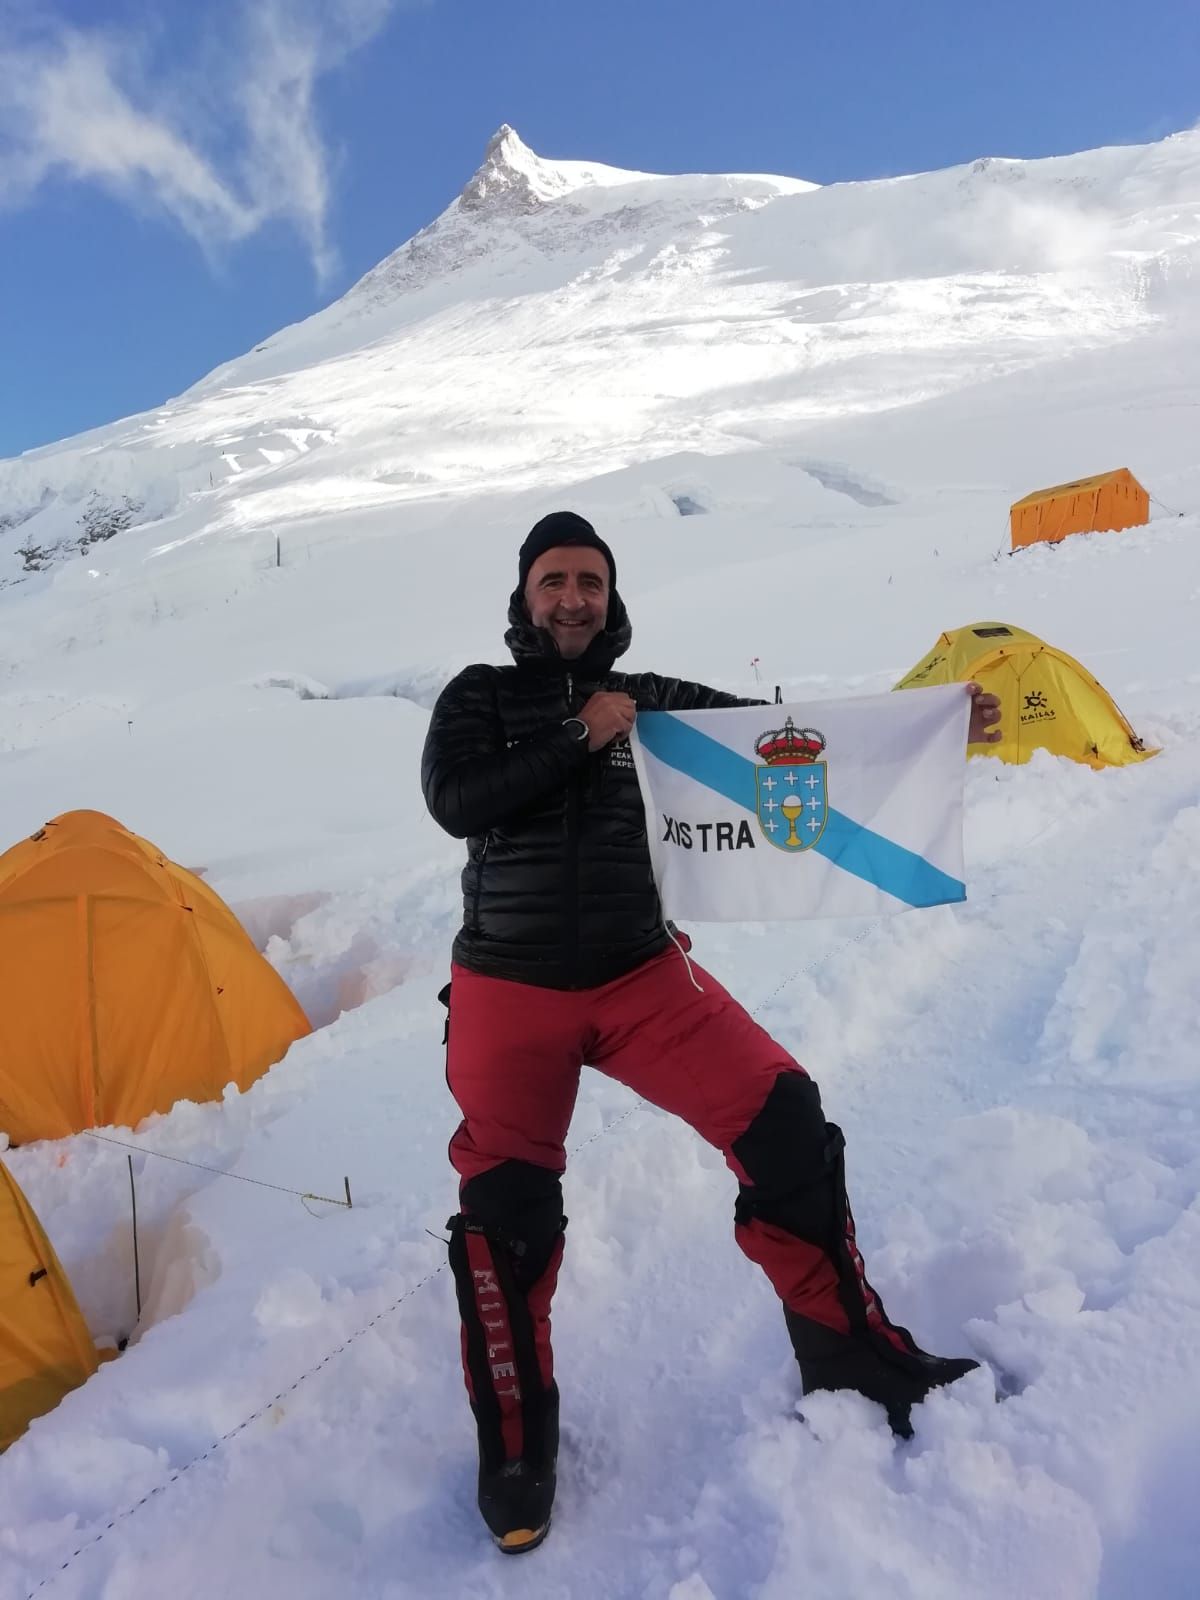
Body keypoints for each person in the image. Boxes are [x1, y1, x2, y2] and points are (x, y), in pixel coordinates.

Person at [421, 511, 1002, 1553]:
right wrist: (577, 733)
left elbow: (793, 746)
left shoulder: (661, 705)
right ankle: (515, 1447)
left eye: (589, 581)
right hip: (507, 987)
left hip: (644, 972)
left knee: (785, 1120)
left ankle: (849, 1353)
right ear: (524, 596)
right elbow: (456, 801)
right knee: (506, 1212)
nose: (571, 598)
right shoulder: (479, 695)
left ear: (612, 597)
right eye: (553, 580)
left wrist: (934, 733)